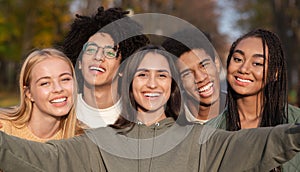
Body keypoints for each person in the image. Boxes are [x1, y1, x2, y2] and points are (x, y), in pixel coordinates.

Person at [1, 45, 300, 172]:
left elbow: (263, 142)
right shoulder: (98, 143)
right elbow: (43, 159)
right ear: (130, 84)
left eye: (162, 75)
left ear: (172, 87)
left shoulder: (201, 141)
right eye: (142, 74)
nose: (152, 83)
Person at [207, 28, 300, 171]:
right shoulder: (209, 132)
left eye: (257, 63)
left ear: (275, 73)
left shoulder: (295, 122)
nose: (244, 69)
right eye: (238, 59)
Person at [62, 6, 149, 128]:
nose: (98, 57)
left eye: (109, 52)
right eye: (91, 49)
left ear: (123, 68)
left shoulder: (139, 118)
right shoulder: (62, 112)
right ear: (80, 62)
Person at [0, 48, 80, 142]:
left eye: (65, 79)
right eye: (45, 83)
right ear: (29, 93)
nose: (58, 89)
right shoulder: (4, 129)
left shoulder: (82, 139)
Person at [162, 28, 226, 124]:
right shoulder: (167, 119)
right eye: (187, 73)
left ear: (216, 64)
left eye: (204, 65)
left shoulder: (244, 110)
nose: (200, 78)